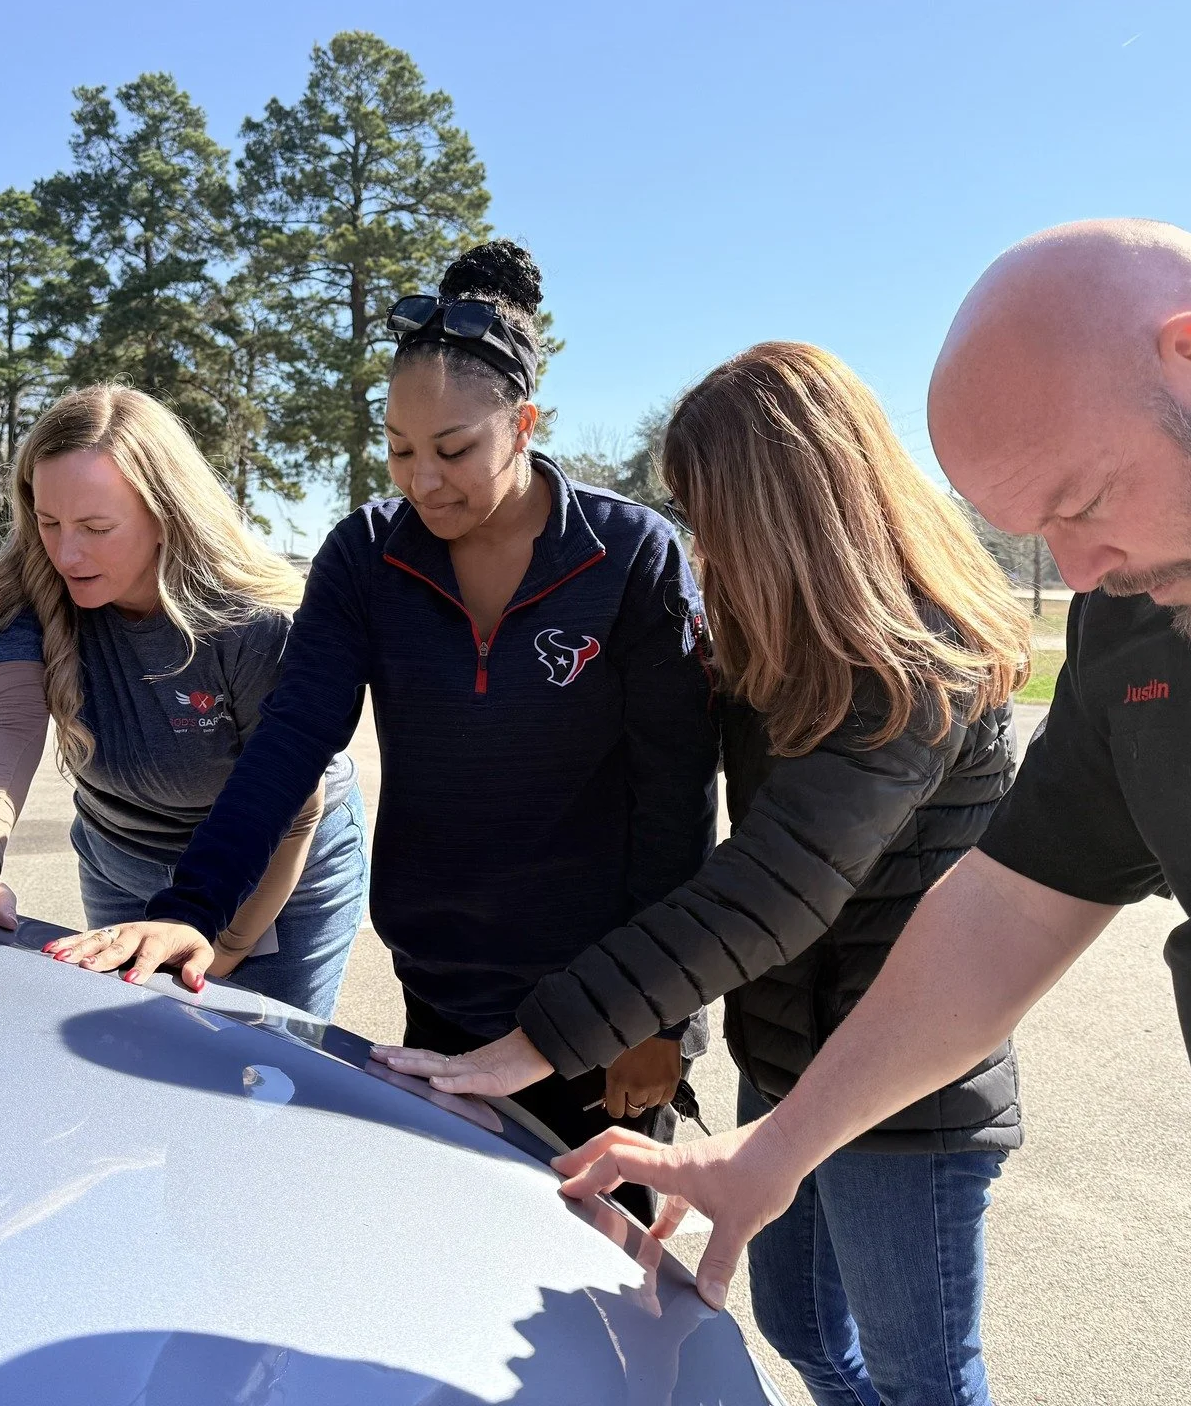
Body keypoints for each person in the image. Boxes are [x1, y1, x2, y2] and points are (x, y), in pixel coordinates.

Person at [555, 220, 1191, 1405]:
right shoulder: (1136, 612)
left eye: (1083, 502)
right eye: (1038, 532)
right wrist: (775, 1147)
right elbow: (1006, 905)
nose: (1079, 570)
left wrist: (548, 1037)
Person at [378, 342, 1028, 1406]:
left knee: (924, 1384)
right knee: (801, 1329)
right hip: (785, 1057)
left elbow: (773, 884)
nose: (694, 537)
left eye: (705, 509)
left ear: (781, 507)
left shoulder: (912, 661)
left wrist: (541, 1040)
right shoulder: (772, 643)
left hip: (905, 1091)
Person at [42, 243, 721, 1214]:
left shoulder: (627, 557)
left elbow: (675, 799)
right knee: (455, 1258)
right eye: (399, 449)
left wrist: (657, 1012)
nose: (422, 480)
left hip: (602, 1002)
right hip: (442, 988)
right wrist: (191, 912)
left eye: (453, 450)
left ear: (523, 424)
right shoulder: (365, 558)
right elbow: (287, 744)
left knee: (597, 1300)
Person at [0, 386, 369, 1020]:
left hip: (274, 873)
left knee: (258, 1071)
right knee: (137, 1048)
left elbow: (294, 803)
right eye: (49, 523)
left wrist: (224, 944)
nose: (67, 553)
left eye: (97, 528)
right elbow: (8, 720)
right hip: (120, 857)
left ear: (166, 516)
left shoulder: (250, 622)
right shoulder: (36, 593)